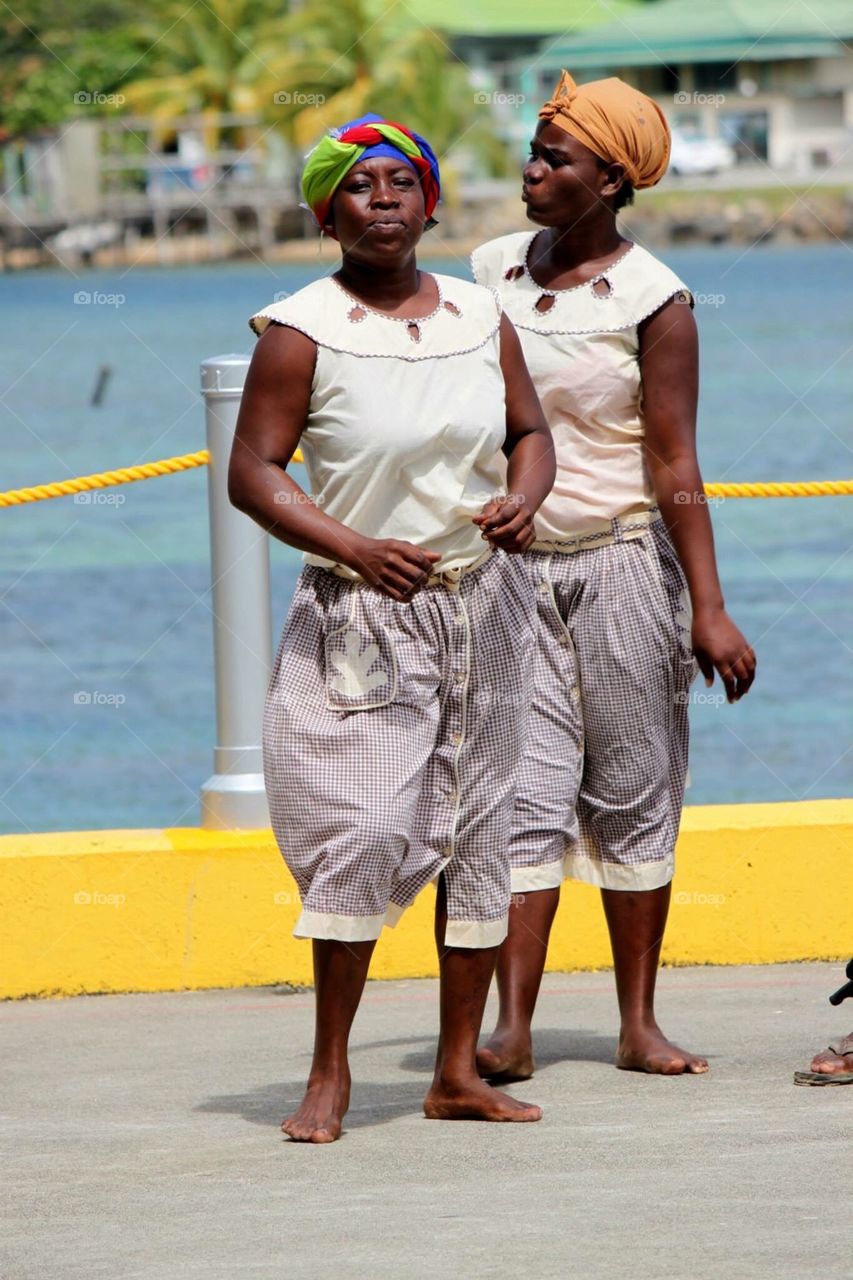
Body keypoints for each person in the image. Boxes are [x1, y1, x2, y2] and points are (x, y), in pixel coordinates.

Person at [229, 114, 555, 1141]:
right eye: (359, 186)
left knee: (480, 827)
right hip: (363, 610)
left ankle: (456, 1069)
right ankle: (329, 1069)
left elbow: (528, 432)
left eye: (400, 183)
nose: (383, 199)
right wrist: (354, 545)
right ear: (327, 212)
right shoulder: (300, 327)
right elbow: (252, 471)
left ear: (431, 202)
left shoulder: (475, 312)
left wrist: (525, 496)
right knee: (362, 829)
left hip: (485, 600)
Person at [471, 72, 756, 1079]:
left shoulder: (655, 299)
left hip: (624, 566)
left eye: (556, 158)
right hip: (509, 578)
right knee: (519, 794)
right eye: (535, 150)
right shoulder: (490, 269)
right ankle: (512, 1026)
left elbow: (674, 461)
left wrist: (707, 610)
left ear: (611, 179)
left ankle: (638, 1021)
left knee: (635, 786)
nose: (532, 169)